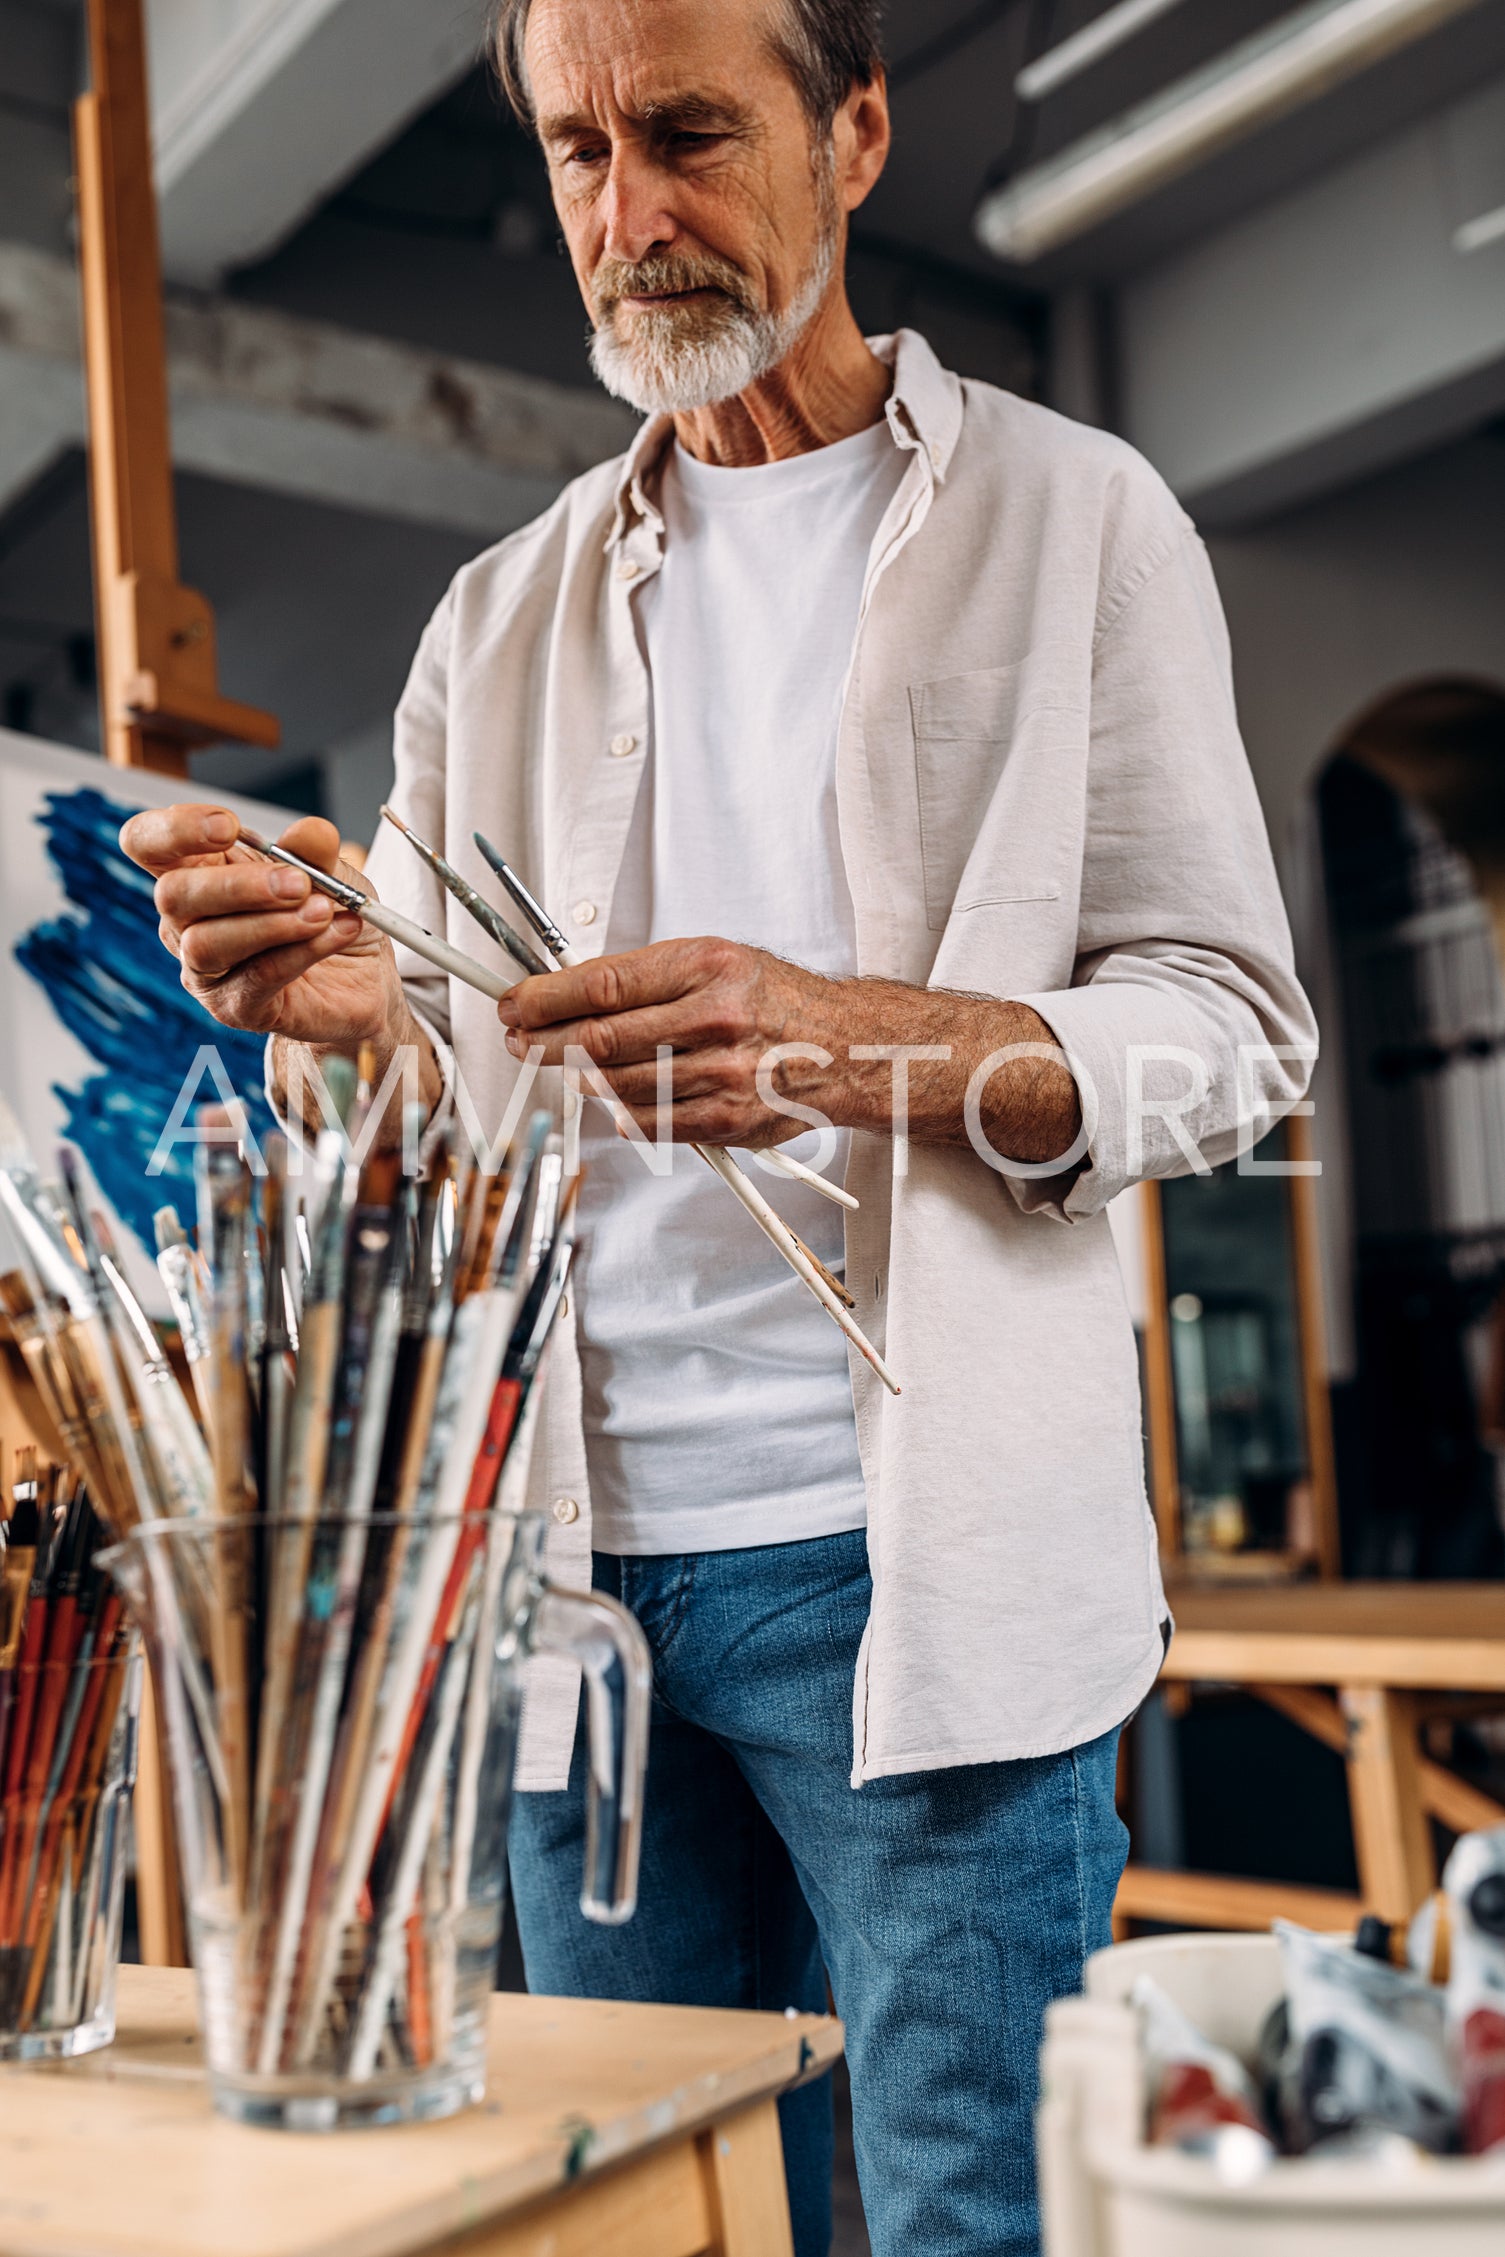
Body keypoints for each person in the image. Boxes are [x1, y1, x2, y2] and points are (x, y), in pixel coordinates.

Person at [122, 0, 1317, 2247]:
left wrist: (856, 1034)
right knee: (649, 2221)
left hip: (929, 1580)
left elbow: (1235, 1026)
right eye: (577, 151)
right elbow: (464, 1108)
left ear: (854, 130)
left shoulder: (1080, 523)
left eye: (686, 131)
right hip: (575, 1594)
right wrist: (370, 1004)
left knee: (977, 2214)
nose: (627, 213)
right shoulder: (498, 623)